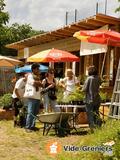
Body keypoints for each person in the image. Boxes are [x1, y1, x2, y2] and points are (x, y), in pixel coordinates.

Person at [82, 66, 102, 132]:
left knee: (90, 113)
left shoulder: (89, 78)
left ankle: (92, 128)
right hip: (97, 98)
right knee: (96, 112)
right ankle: (98, 126)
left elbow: (84, 89)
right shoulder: (98, 78)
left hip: (89, 99)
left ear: (90, 71)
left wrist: (81, 89)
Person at [24, 63, 42, 132]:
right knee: (30, 112)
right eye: (37, 69)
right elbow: (34, 83)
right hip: (32, 96)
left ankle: (32, 126)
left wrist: (40, 84)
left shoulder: (37, 76)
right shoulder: (30, 76)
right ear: (33, 69)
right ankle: (27, 127)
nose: (38, 70)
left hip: (37, 96)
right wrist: (40, 83)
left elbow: (40, 85)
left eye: (39, 69)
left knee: (35, 113)